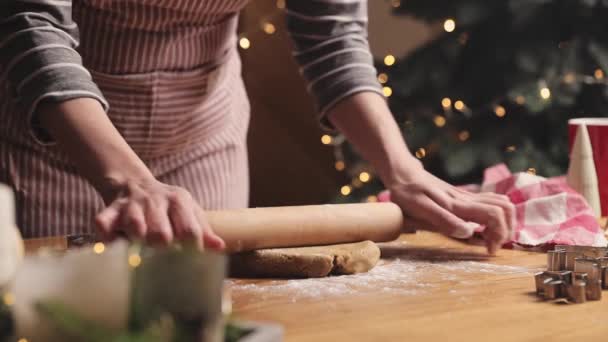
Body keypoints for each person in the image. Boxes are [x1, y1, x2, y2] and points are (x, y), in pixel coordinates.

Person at [0, 0, 514, 254]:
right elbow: (31, 23)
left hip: (202, 134)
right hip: (56, 139)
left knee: (205, 311)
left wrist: (403, 171)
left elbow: (332, 36)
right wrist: (129, 181)